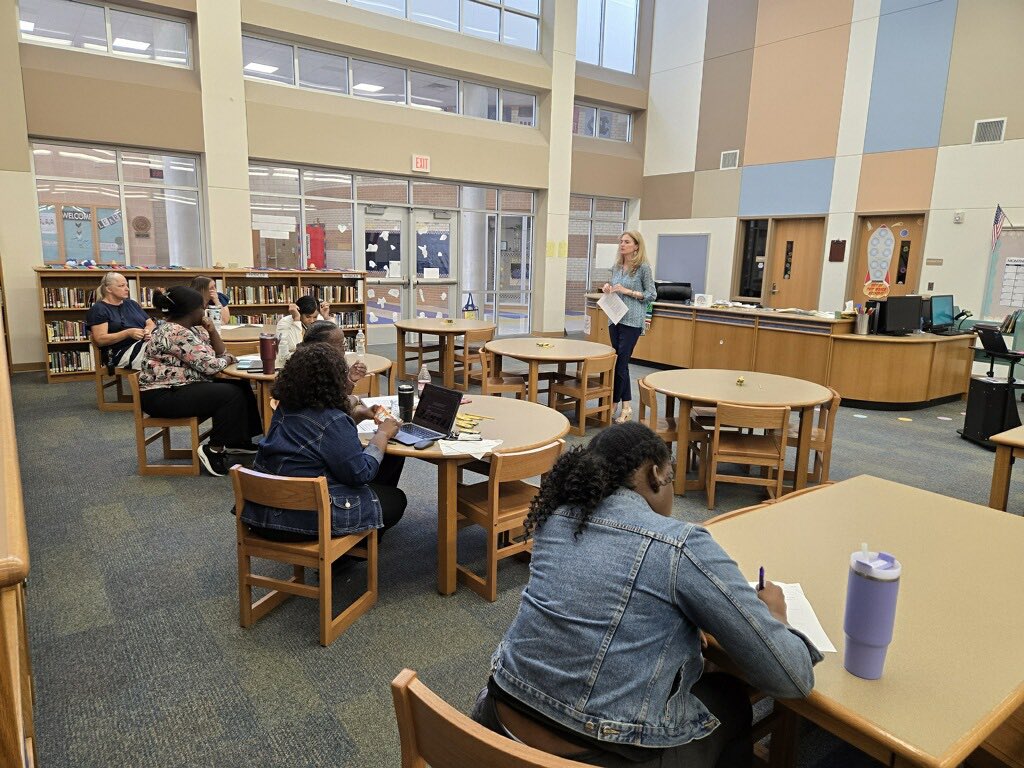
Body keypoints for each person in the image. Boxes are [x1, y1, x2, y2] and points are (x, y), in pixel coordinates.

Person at [472, 422, 822, 768]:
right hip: (598, 752)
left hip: (497, 716)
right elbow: (791, 678)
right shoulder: (678, 545)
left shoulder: (556, 519)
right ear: (656, 475)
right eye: (670, 479)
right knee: (730, 699)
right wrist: (776, 615)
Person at [241, 342, 407, 542]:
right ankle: (348, 552)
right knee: (396, 499)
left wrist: (357, 416)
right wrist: (382, 434)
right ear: (333, 381)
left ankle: (358, 540)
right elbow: (360, 473)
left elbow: (318, 435)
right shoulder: (333, 420)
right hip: (302, 520)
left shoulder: (284, 408)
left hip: (261, 512)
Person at [138, 286, 263, 477]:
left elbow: (219, 352)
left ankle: (239, 441)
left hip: (180, 387)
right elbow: (212, 366)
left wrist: (212, 330)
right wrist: (228, 360)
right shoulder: (175, 333)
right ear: (191, 311)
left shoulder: (193, 329)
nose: (204, 311)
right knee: (230, 395)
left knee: (239, 384)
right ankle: (213, 449)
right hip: (162, 395)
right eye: (202, 307)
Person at [601, 231, 656, 424]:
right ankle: (620, 403)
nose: (622, 245)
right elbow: (613, 286)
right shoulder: (617, 266)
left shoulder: (643, 268)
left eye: (626, 242)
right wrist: (608, 288)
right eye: (621, 242)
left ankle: (622, 405)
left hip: (632, 320)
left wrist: (628, 291)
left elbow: (651, 295)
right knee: (617, 362)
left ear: (636, 246)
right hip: (614, 317)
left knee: (622, 362)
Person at [85, 271, 155, 370]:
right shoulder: (99, 309)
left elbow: (150, 323)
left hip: (143, 345)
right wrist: (128, 333)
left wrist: (147, 331)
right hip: (118, 354)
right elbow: (100, 340)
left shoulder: (132, 304)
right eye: (122, 286)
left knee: (168, 352)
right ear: (109, 289)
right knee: (164, 355)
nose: (127, 289)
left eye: (126, 285)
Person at [276, 295, 334, 366]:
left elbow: (335, 341)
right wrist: (296, 320)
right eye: (308, 317)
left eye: (315, 317)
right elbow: (287, 355)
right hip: (292, 366)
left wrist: (326, 317)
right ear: (299, 312)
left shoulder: (319, 320)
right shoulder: (284, 323)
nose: (312, 321)